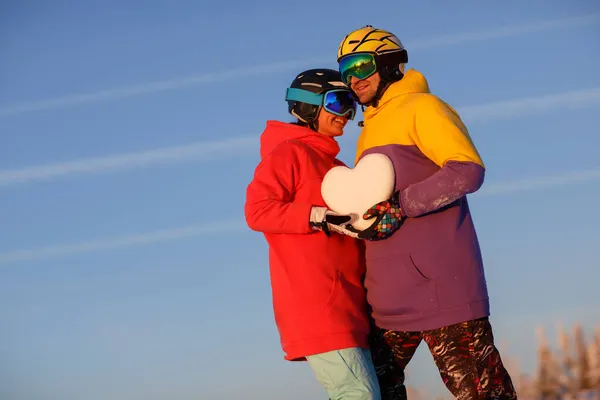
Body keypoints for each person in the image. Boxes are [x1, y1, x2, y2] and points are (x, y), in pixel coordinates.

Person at [334, 26, 518, 399]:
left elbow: (467, 170)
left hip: (442, 290)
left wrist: (401, 206)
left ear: (388, 63)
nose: (353, 78)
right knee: (368, 393)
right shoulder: (368, 128)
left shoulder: (423, 107)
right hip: (386, 300)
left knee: (483, 394)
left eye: (361, 64)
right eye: (345, 69)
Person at [244, 68, 382, 400]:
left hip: (352, 305)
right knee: (358, 394)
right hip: (319, 307)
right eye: (337, 102)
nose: (347, 115)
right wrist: (318, 216)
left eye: (351, 105)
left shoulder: (335, 167)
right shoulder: (288, 153)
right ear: (307, 107)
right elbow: (257, 210)